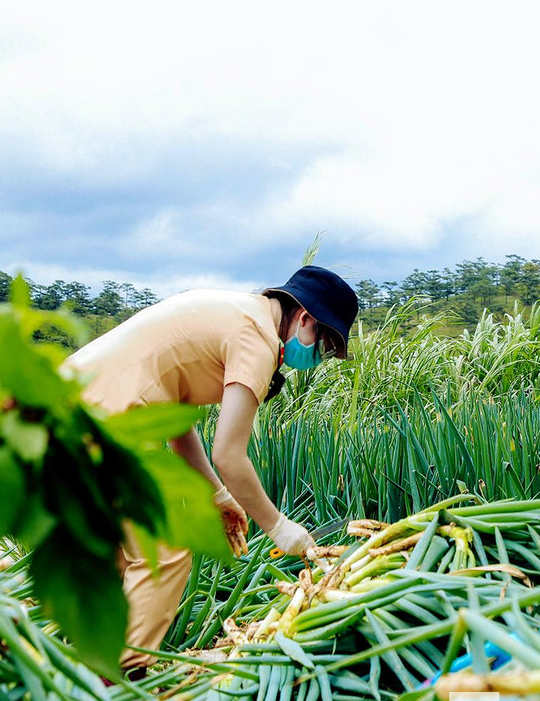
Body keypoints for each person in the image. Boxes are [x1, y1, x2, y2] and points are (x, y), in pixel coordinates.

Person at [63, 265, 359, 674]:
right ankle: (116, 683)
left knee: (116, 554)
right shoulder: (255, 338)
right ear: (305, 318)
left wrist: (217, 494)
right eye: (322, 343)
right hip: (102, 425)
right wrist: (278, 526)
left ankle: (78, 670)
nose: (317, 355)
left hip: (65, 410)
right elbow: (229, 455)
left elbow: (175, 423)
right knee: (164, 553)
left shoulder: (233, 312)